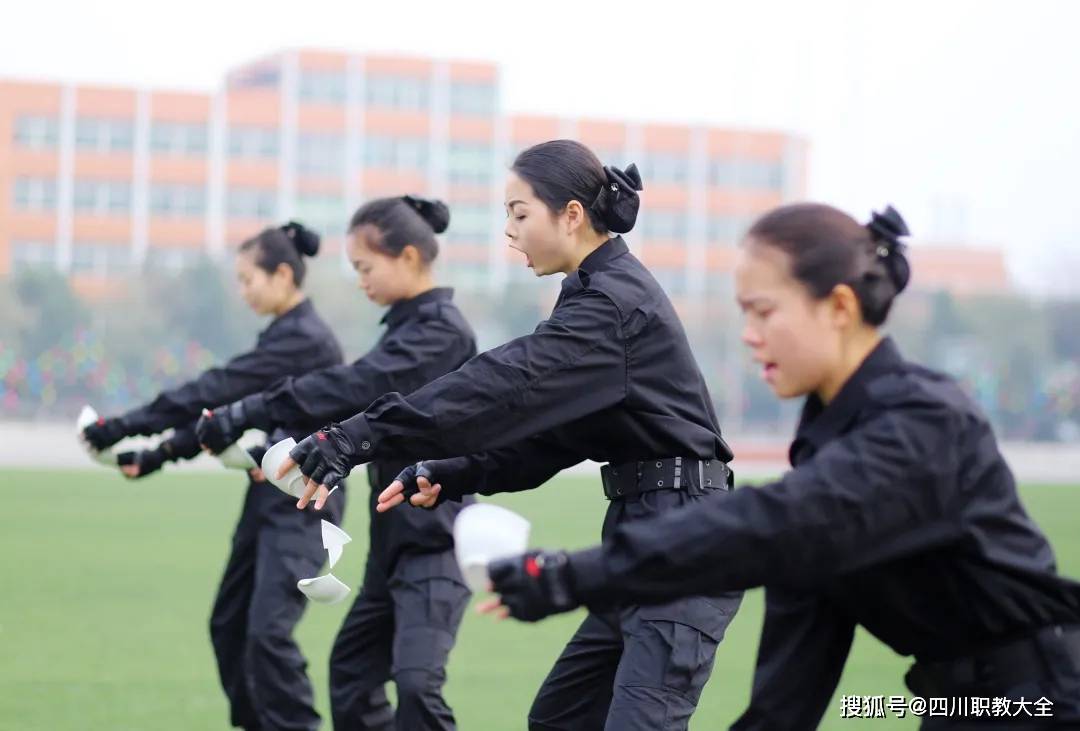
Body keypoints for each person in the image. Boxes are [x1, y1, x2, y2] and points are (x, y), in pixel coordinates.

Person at [484, 203, 1080, 729]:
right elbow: (788, 688)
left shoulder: (921, 422)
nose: (749, 336)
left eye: (764, 312)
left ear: (840, 307)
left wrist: (569, 577)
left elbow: (764, 524)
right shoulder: (824, 445)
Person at [278, 140, 743, 731]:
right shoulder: (590, 298)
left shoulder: (613, 305)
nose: (510, 231)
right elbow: (558, 438)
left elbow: (501, 383)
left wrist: (357, 434)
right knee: (558, 720)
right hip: (640, 533)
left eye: (520, 213)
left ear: (571, 215)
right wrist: (457, 472)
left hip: (685, 538)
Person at [195, 195, 477, 731]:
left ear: (410, 258)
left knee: (417, 690)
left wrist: (251, 409)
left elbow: (358, 387)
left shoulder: (441, 332)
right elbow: (359, 415)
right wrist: (281, 450)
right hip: (392, 548)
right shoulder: (404, 328)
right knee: (351, 682)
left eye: (365, 268)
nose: (360, 281)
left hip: (436, 544)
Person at [81, 222, 344, 731]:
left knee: (268, 636)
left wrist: (123, 427)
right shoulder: (284, 336)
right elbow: (230, 417)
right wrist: (159, 453)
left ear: (283, 274)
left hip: (304, 506)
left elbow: (216, 390)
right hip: (267, 503)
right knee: (228, 627)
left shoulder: (304, 341)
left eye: (248, 279)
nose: (242, 290)